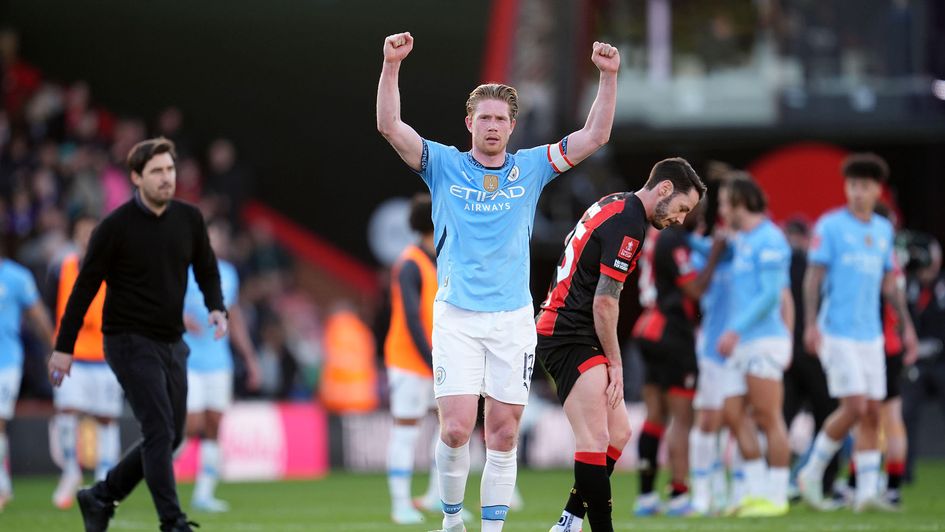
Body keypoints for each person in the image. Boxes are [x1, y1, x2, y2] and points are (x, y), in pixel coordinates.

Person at [377, 32, 620, 532]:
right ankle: (451, 520)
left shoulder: (531, 167)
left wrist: (608, 75)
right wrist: (390, 65)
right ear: (469, 123)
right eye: (484, 118)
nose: (492, 126)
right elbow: (389, 126)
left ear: (512, 126)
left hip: (512, 320)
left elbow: (595, 135)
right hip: (458, 316)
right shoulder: (442, 164)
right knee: (456, 429)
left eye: (501, 119)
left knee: (504, 435)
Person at [47, 137, 228, 532]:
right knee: (159, 430)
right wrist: (64, 347)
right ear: (136, 177)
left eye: (170, 170)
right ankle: (172, 522)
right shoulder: (114, 227)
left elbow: (206, 267)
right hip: (127, 340)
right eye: (157, 171)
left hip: (172, 342)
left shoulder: (189, 219)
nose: (167, 178)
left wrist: (216, 306)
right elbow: (83, 289)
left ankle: (101, 495)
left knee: (171, 436)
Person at [541, 158, 706, 532]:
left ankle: (568, 523)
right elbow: (604, 301)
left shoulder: (617, 203)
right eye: (682, 208)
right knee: (596, 438)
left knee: (618, 434)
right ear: (664, 189)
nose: (681, 219)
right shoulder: (629, 221)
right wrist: (615, 363)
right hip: (568, 333)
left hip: (577, 331)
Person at [798, 153, 918, 512]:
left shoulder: (883, 231)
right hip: (837, 332)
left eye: (864, 186)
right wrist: (810, 323)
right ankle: (811, 473)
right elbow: (813, 278)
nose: (857, 192)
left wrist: (907, 327)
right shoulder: (830, 226)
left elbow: (890, 284)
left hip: (872, 335)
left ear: (877, 190)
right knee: (854, 406)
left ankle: (866, 493)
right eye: (852, 185)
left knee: (872, 413)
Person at [630, 202, 723, 517]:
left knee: (654, 416)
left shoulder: (655, 234)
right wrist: (715, 255)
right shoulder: (674, 239)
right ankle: (679, 495)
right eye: (695, 209)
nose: (698, 218)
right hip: (672, 333)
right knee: (681, 419)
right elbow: (694, 289)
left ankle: (646, 496)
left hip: (648, 326)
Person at [716, 176, 793, 517]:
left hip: (763, 340)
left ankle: (776, 496)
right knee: (733, 414)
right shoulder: (743, 240)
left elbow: (771, 295)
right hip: (742, 343)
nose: (721, 210)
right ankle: (757, 491)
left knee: (768, 416)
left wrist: (735, 329)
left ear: (739, 202)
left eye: (724, 203)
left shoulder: (771, 238)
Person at [183, 217, 261, 512]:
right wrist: (181, 319)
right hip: (188, 360)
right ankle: (157, 468)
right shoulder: (184, 270)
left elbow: (234, 317)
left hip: (219, 361)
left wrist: (250, 357)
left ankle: (204, 494)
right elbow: (164, 305)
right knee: (191, 424)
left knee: (214, 424)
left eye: (219, 238)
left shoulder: (228, 273)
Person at [48, 214, 123, 510]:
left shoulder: (117, 269)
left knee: (106, 418)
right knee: (67, 412)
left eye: (92, 233)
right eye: (82, 232)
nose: (87, 238)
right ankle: (70, 470)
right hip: (73, 356)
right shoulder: (62, 268)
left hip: (106, 356)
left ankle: (104, 480)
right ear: (74, 236)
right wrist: (55, 348)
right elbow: (50, 306)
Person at [383, 193, 440, 524]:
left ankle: (436, 496)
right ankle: (400, 504)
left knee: (447, 430)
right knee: (406, 431)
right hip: (408, 362)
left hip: (436, 361)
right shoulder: (409, 263)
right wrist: (432, 362)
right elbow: (411, 320)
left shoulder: (442, 258)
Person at [780, 217, 841, 500]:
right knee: (827, 417)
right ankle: (824, 481)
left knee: (780, 419)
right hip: (817, 353)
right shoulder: (820, 268)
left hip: (789, 353)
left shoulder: (781, 264)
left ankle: (776, 481)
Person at [0, 250, 55, 511]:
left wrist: (55, 349)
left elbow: (38, 315)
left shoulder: (17, 277)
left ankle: (2, 486)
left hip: (6, 362)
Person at [902, 233, 945, 482]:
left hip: (941, 361)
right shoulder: (908, 286)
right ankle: (904, 471)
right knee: (906, 414)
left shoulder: (942, 287)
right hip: (915, 361)